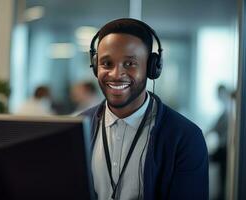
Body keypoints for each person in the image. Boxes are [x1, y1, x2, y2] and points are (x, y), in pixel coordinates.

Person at [80, 18, 208, 200]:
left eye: (130, 63)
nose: (116, 74)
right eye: (107, 64)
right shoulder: (79, 128)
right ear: (95, 66)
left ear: (151, 67)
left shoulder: (185, 137)